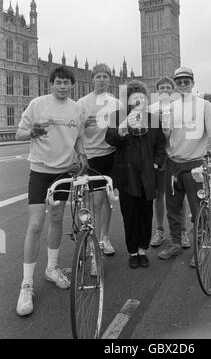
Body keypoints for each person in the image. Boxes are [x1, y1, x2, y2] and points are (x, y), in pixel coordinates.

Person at [16, 66, 88, 316]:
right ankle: (26, 284)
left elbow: (78, 136)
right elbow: (19, 132)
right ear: (51, 83)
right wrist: (32, 132)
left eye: (67, 82)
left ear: (72, 85)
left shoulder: (77, 108)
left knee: (57, 219)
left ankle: (52, 268)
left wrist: (82, 154)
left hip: (64, 172)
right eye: (59, 82)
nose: (63, 86)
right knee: (36, 224)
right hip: (39, 170)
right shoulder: (38, 104)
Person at [158, 66, 211, 266]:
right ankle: (176, 243)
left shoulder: (204, 105)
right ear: (175, 85)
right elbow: (165, 137)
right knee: (173, 208)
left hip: (195, 164)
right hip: (173, 164)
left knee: (198, 209)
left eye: (187, 81)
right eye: (179, 82)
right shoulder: (169, 107)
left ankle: (202, 245)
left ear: (193, 83)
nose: (183, 85)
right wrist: (165, 131)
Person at [105, 80, 165, 268]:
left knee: (145, 214)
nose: (138, 100)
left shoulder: (153, 119)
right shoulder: (118, 116)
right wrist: (122, 129)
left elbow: (161, 146)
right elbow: (110, 139)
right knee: (129, 214)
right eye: (134, 97)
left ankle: (142, 250)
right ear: (128, 100)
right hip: (127, 175)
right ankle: (132, 251)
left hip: (147, 174)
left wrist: (155, 164)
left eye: (141, 97)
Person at [77, 63, 122, 256]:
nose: (102, 79)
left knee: (107, 199)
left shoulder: (117, 103)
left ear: (109, 79)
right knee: (96, 201)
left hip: (112, 155)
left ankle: (104, 238)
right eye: (99, 76)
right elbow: (74, 132)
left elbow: (123, 129)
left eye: (105, 76)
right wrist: (83, 125)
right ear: (92, 78)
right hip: (92, 156)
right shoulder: (82, 103)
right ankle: (91, 238)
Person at [148, 76, 190, 249]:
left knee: (180, 196)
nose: (165, 90)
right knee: (159, 195)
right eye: (162, 88)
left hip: (175, 156)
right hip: (158, 158)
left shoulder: (180, 108)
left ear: (172, 90)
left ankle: (183, 231)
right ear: (157, 91)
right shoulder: (150, 109)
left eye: (168, 87)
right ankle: (159, 230)